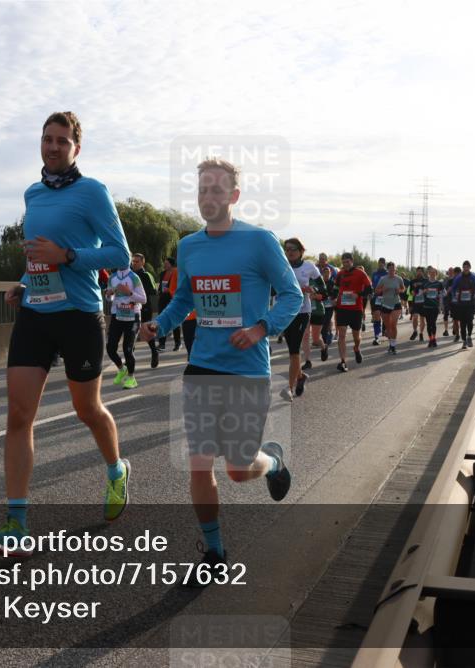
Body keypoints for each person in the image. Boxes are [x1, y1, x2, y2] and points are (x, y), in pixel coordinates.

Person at [140, 157, 300, 586]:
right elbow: (184, 300)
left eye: (217, 190)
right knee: (199, 464)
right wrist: (161, 324)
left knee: (238, 467)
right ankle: (214, 551)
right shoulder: (189, 246)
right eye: (202, 189)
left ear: (233, 196)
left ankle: (273, 461)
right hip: (202, 367)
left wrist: (261, 328)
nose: (208, 196)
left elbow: (291, 294)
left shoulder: (260, 242)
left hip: (248, 370)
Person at [0, 111, 132, 555]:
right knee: (18, 413)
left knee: (88, 410)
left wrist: (66, 255)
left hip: (80, 314)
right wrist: (25, 282)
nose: (52, 146)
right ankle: (17, 524)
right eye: (47, 139)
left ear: (76, 149)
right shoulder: (32, 193)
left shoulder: (93, 191)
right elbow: (36, 254)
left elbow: (117, 253)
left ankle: (117, 469)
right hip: (35, 312)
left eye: (62, 141)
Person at [280, 238, 322, 401]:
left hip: (303, 311)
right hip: (284, 311)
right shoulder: (280, 265)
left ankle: (289, 388)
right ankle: (301, 376)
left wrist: (312, 289)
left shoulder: (309, 266)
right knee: (292, 350)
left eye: (293, 249)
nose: (289, 252)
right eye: (287, 249)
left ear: (301, 251)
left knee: (294, 351)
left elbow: (322, 286)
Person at [105, 264, 146, 389]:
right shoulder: (112, 277)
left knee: (127, 349)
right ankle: (122, 369)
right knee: (110, 348)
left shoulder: (134, 277)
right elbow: (109, 299)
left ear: (128, 261)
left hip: (133, 317)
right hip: (117, 316)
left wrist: (129, 292)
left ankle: (131, 378)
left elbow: (143, 299)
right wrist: (109, 294)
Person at [333, 252, 371, 372]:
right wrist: (333, 298)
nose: (345, 264)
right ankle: (343, 361)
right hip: (342, 308)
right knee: (342, 335)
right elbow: (335, 288)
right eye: (343, 262)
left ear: (352, 261)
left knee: (356, 337)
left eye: (347, 262)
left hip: (356, 310)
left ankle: (356, 348)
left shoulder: (360, 273)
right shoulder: (340, 274)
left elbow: (370, 289)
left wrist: (358, 294)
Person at [130, 253, 160, 368]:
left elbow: (154, 291)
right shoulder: (130, 275)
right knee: (131, 332)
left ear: (143, 262)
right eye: (133, 261)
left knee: (147, 333)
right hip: (133, 309)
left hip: (145, 308)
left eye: (137, 261)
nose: (134, 263)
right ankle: (129, 357)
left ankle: (154, 352)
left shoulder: (146, 275)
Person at [448, 260, 475, 349]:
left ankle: (469, 337)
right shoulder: (458, 278)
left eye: (467, 267)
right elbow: (453, 289)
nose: (466, 268)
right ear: (463, 268)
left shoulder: (474, 277)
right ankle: (464, 341)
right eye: (464, 267)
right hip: (461, 304)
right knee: (462, 323)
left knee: (470, 321)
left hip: (471, 303)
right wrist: (455, 295)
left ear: (470, 268)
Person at [374, 261, 406, 354]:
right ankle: (391, 344)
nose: (392, 271)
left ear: (395, 270)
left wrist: (399, 290)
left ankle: (393, 346)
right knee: (388, 327)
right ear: (387, 270)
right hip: (385, 304)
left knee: (393, 325)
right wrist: (382, 290)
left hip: (396, 303)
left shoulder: (399, 278)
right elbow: (376, 290)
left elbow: (403, 289)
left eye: (393, 269)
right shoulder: (383, 279)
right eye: (390, 269)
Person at [308, 264, 335, 362]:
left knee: (315, 339)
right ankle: (307, 361)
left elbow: (323, 296)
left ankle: (324, 347)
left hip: (318, 311)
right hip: (305, 311)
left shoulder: (318, 281)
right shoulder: (301, 280)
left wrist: (314, 296)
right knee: (305, 336)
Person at [158, 258, 181, 351]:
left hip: (173, 299)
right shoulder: (163, 273)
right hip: (163, 299)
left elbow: (180, 286)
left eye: (166, 263)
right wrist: (159, 290)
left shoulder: (176, 272)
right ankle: (162, 344)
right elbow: (160, 285)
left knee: (174, 321)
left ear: (171, 264)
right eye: (164, 263)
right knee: (162, 321)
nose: (165, 265)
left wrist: (170, 290)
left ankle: (177, 343)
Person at [421, 266, 444, 347]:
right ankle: (430, 339)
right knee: (428, 324)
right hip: (426, 306)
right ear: (428, 274)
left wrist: (441, 306)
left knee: (433, 323)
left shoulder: (439, 284)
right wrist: (424, 291)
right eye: (431, 272)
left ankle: (434, 339)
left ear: (436, 274)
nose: (432, 274)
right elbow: (420, 293)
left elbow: (442, 295)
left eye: (434, 272)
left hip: (435, 307)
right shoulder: (425, 283)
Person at [370, 257, 388, 345]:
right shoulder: (374, 273)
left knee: (385, 316)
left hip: (387, 298)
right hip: (377, 298)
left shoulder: (387, 273)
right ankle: (377, 337)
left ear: (384, 264)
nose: (380, 264)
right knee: (376, 316)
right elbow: (372, 285)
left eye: (382, 263)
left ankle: (385, 330)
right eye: (379, 263)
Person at [408, 266, 427, 342]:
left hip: (423, 302)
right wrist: (413, 292)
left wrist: (424, 291)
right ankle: (415, 331)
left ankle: (421, 333)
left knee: (422, 319)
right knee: (415, 317)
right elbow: (410, 292)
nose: (419, 272)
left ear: (423, 272)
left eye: (420, 271)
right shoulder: (412, 281)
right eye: (418, 271)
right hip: (415, 302)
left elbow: (427, 290)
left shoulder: (426, 281)